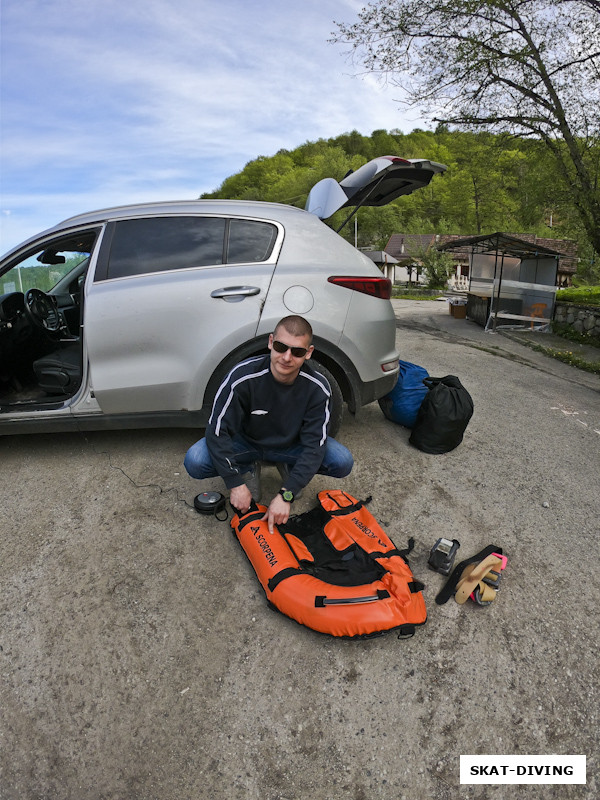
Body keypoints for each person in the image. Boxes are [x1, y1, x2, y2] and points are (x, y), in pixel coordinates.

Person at [184, 315, 353, 532]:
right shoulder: (241, 377)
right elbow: (217, 431)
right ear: (271, 342)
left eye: (297, 351)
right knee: (195, 460)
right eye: (281, 347)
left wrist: (287, 494)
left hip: (290, 447)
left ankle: (290, 468)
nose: (287, 357)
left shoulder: (318, 387)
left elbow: (315, 447)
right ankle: (246, 468)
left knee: (342, 460)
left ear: (309, 353)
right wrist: (234, 482)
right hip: (246, 444)